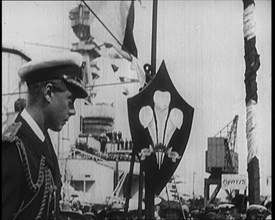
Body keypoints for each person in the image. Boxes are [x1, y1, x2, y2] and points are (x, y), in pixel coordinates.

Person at [2, 52, 88, 220]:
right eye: (70, 101)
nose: (73, 111)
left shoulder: (42, 141)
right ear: (48, 93)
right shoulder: (13, 149)